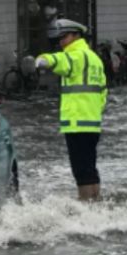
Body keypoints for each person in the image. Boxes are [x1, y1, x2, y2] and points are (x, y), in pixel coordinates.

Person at [35, 19, 108, 202]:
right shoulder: (94, 58)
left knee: (81, 171)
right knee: (89, 168)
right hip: (92, 124)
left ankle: (85, 207)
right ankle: (96, 203)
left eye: (64, 37)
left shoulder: (77, 56)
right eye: (59, 39)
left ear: (76, 35)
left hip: (77, 123)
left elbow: (60, 61)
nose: (61, 42)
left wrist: (42, 59)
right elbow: (103, 93)